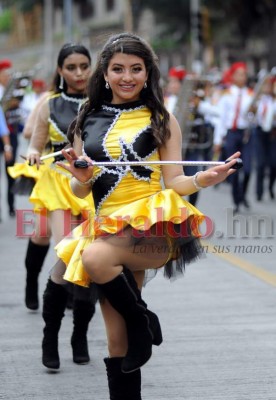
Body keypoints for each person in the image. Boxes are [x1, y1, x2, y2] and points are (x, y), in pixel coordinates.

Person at [51, 32, 240, 399]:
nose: (127, 77)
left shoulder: (161, 118)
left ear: (148, 73)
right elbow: (79, 191)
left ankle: (141, 317)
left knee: (94, 257)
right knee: (118, 343)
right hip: (106, 225)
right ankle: (139, 323)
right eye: (118, 68)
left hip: (152, 228)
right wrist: (82, 179)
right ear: (104, 72)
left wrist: (204, 178)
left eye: (136, 69)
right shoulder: (86, 117)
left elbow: (175, 180)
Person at [21, 43, 97, 370]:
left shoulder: (103, 103)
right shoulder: (48, 104)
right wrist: (35, 153)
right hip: (56, 182)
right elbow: (34, 142)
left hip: (92, 184)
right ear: (60, 70)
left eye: (84, 66)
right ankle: (49, 333)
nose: (79, 73)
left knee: (91, 259)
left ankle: (79, 334)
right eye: (72, 67)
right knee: (66, 252)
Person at [213, 62, 254, 213]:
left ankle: (242, 194)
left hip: (246, 134)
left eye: (244, 74)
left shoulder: (251, 95)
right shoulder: (227, 94)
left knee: (248, 169)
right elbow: (221, 119)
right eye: (239, 74)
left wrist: (254, 113)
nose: (242, 77)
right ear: (233, 76)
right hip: (231, 133)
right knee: (234, 168)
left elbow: (253, 117)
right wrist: (218, 140)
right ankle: (236, 200)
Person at [253, 76, 276, 201]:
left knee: (273, 164)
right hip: (260, 133)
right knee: (260, 164)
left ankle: (271, 187)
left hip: (273, 133)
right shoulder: (258, 99)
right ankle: (259, 192)